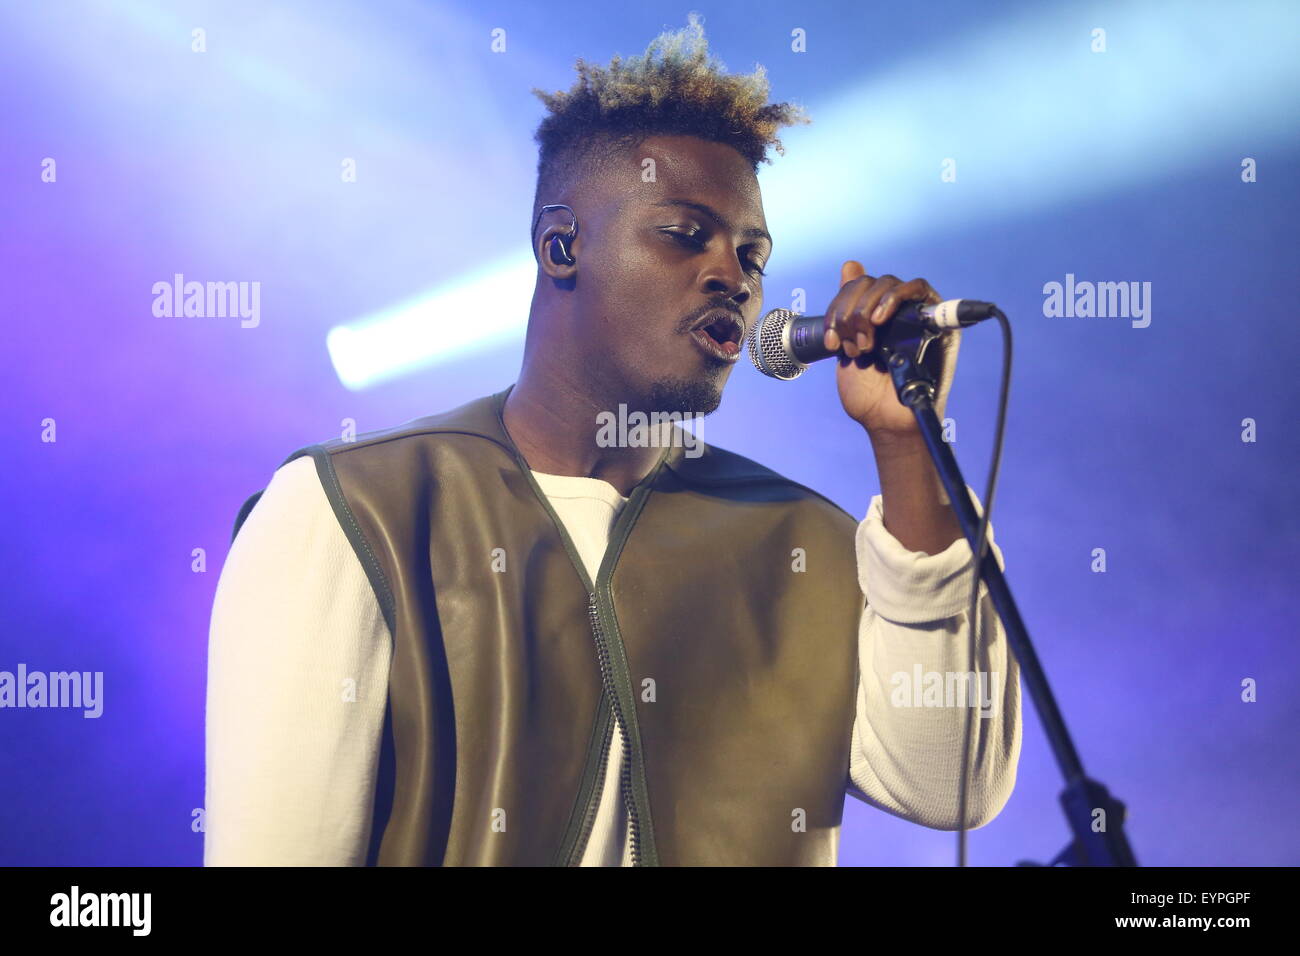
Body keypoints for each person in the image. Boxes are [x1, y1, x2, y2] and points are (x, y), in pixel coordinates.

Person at [204, 14, 1020, 866]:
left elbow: (953, 783)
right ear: (562, 245)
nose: (732, 278)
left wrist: (906, 443)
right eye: (684, 233)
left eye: (753, 254)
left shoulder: (803, 545)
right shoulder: (352, 513)